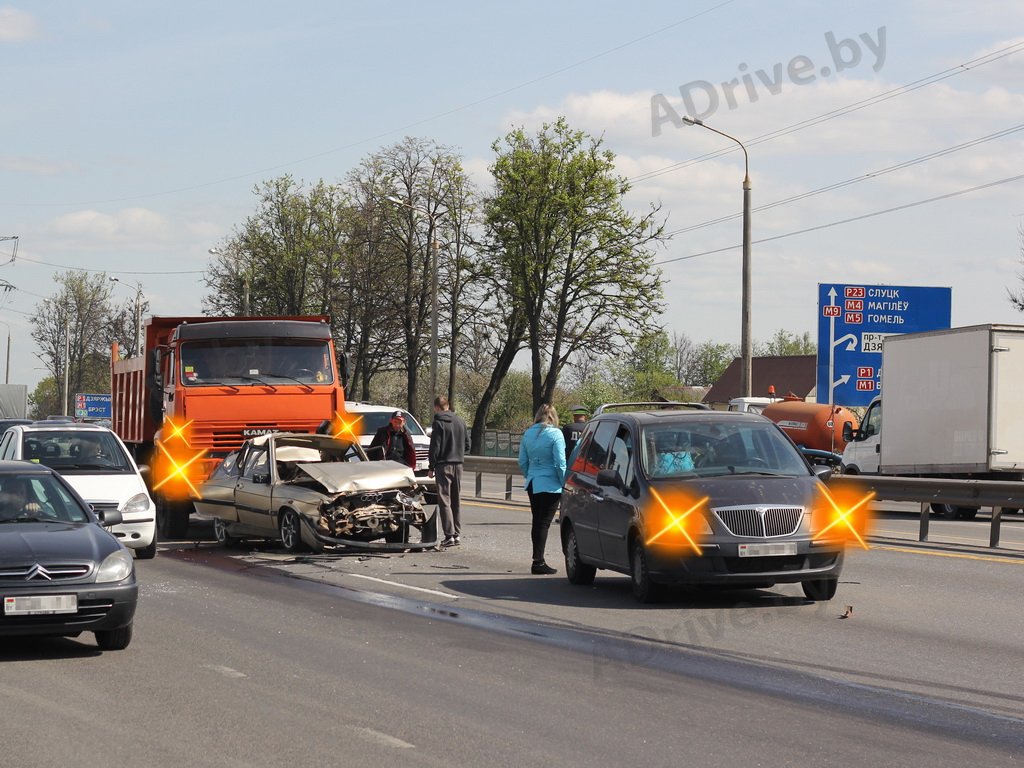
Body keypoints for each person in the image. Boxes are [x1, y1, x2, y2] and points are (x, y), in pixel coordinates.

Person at [518, 404, 566, 575]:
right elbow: (560, 462)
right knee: (544, 523)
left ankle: (537, 559)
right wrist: (563, 482)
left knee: (537, 521)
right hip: (550, 484)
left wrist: (530, 474)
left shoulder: (528, 433)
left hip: (533, 482)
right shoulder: (555, 434)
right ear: (553, 417)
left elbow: (522, 461)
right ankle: (538, 561)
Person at [428, 396, 470, 548]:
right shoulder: (460, 421)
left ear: (437, 407)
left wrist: (431, 466)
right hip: (458, 464)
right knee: (455, 499)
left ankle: (449, 535)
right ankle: (457, 534)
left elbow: (435, 447)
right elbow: (467, 445)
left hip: (443, 465)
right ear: (448, 406)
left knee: (444, 500)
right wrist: (457, 453)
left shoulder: (438, 423)